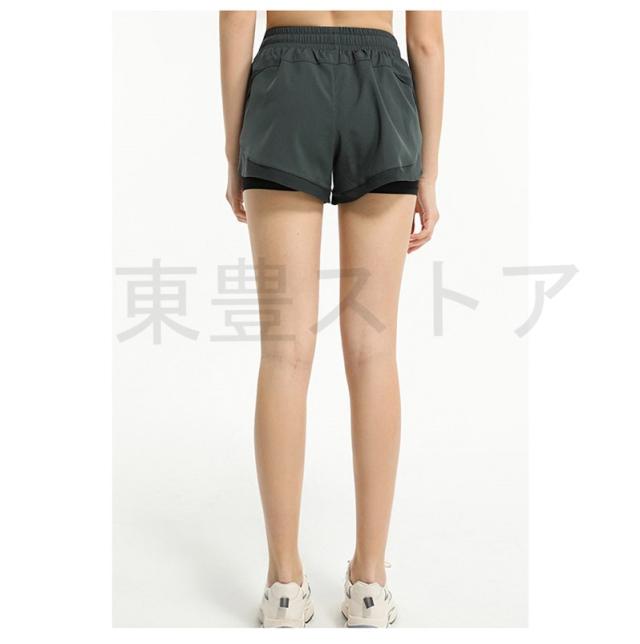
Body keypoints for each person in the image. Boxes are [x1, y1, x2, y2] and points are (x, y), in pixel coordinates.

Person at [219, 10, 444, 628]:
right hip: (381, 93)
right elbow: (425, 41)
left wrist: (235, 148)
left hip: (284, 87)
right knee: (373, 351)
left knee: (284, 353)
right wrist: (427, 172)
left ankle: (283, 586)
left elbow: (236, 21)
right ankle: (369, 582)